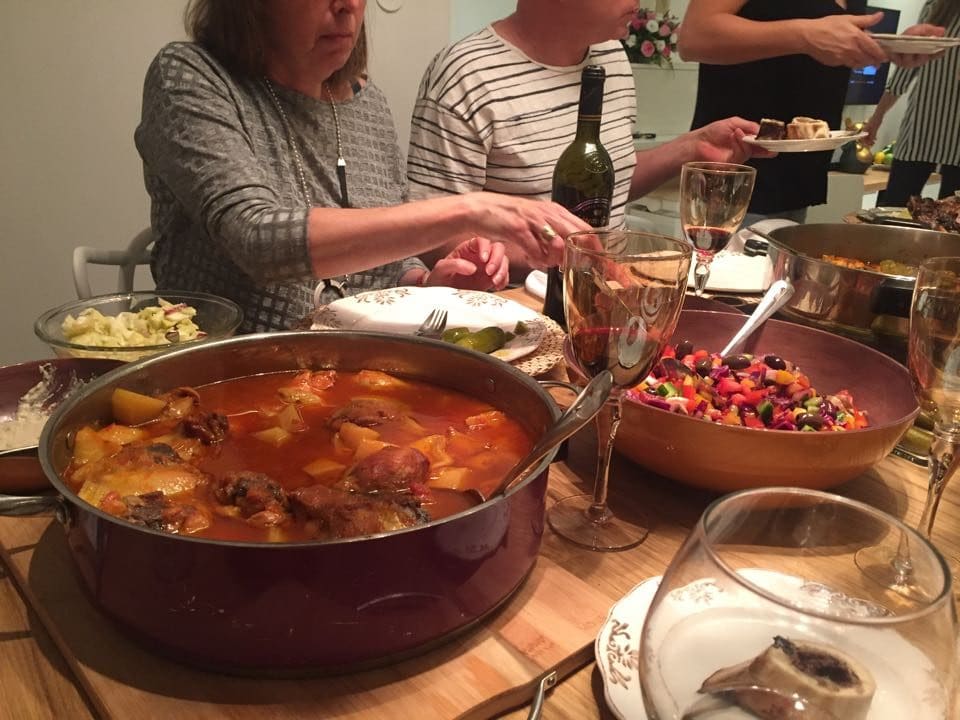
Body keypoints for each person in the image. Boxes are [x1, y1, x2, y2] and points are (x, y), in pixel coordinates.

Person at [135, 0, 589, 333]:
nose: (348, 5)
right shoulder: (190, 76)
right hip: (221, 373)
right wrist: (469, 210)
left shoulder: (366, 102)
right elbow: (256, 239)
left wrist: (429, 279)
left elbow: (384, 266)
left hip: (347, 371)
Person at [406, 0, 765, 274]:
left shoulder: (610, 57)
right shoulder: (465, 76)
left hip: (606, 298)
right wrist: (572, 258)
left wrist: (690, 147)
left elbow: (600, 192)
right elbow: (433, 237)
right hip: (513, 312)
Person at [678, 0, 946, 226]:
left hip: (798, 176)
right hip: (733, 168)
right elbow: (694, 37)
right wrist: (805, 35)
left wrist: (889, 48)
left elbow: (825, 47)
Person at [863, 0, 960, 205]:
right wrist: (877, 117)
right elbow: (906, 68)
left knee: (953, 221)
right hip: (921, 128)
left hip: (937, 131)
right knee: (893, 210)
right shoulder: (937, 6)